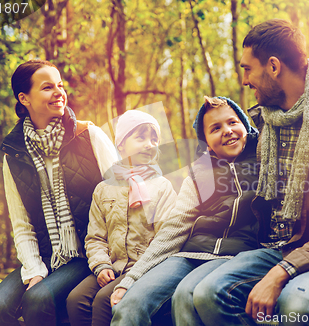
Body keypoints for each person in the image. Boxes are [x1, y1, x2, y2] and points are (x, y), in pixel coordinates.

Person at [187, 19, 309, 326]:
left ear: (273, 66)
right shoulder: (264, 122)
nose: (245, 80)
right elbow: (222, 143)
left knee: (296, 305)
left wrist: (282, 272)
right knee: (208, 293)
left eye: (248, 69)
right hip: (276, 247)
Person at [0, 59, 118, 326]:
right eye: (47, 87)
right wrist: (34, 270)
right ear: (24, 98)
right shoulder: (13, 155)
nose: (59, 92)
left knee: (38, 300)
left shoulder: (89, 136)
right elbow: (21, 224)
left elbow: (120, 200)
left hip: (87, 253)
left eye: (60, 85)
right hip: (46, 254)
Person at [109, 96, 264, 326]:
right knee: (129, 304)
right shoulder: (200, 172)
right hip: (190, 254)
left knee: (186, 297)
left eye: (233, 122)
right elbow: (175, 227)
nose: (227, 131)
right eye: (215, 128)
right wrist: (131, 278)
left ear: (245, 125)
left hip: (236, 254)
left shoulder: (265, 156)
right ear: (206, 142)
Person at [66, 110, 177, 326]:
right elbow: (95, 238)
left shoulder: (162, 187)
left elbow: (166, 239)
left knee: (103, 301)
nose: (150, 144)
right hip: (113, 266)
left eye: (154, 139)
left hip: (144, 269)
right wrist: (101, 266)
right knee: (75, 299)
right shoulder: (104, 189)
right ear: (121, 145)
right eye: (141, 137)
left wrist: (137, 272)